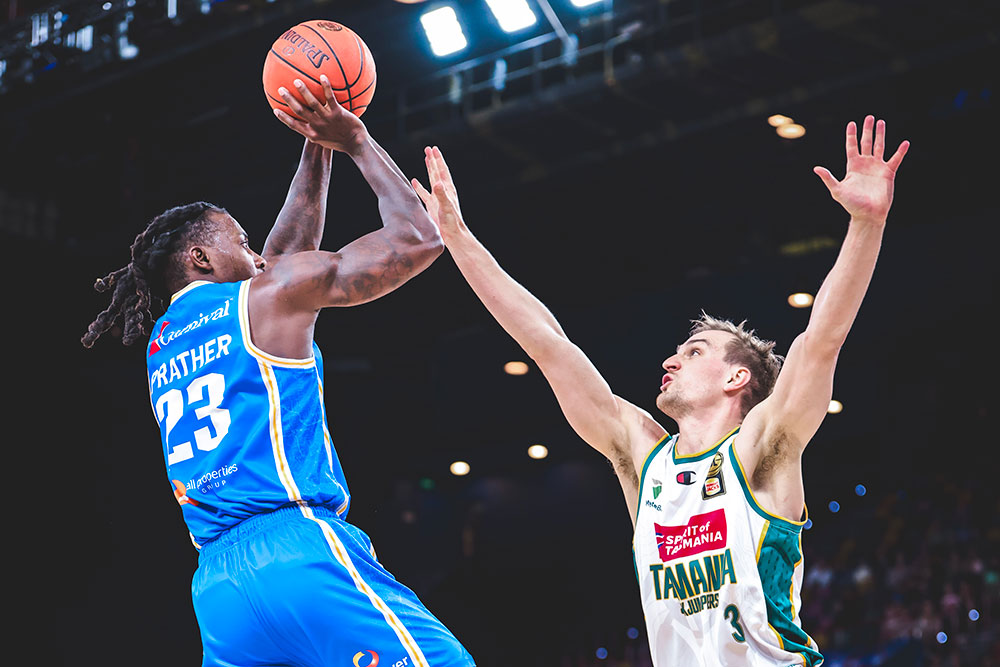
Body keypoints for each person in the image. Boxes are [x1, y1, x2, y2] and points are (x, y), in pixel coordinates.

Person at [412, 115, 908, 666]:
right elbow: (547, 344)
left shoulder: (764, 446)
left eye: (695, 352)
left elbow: (821, 340)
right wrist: (458, 239)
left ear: (736, 378)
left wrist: (866, 225)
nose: (671, 360)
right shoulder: (642, 457)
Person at [83, 76, 475, 667]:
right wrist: (355, 140)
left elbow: (281, 262)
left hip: (218, 589)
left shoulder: (162, 344)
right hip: (297, 551)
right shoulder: (265, 298)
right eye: (242, 241)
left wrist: (316, 147)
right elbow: (420, 240)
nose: (257, 254)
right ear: (201, 257)